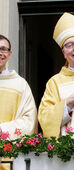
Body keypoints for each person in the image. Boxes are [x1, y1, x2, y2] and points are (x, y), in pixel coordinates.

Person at [0, 34, 38, 169]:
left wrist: (2, 130)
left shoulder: (20, 85)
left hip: (8, 155)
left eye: (3, 49)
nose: (0, 53)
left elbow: (30, 120)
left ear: (10, 54)